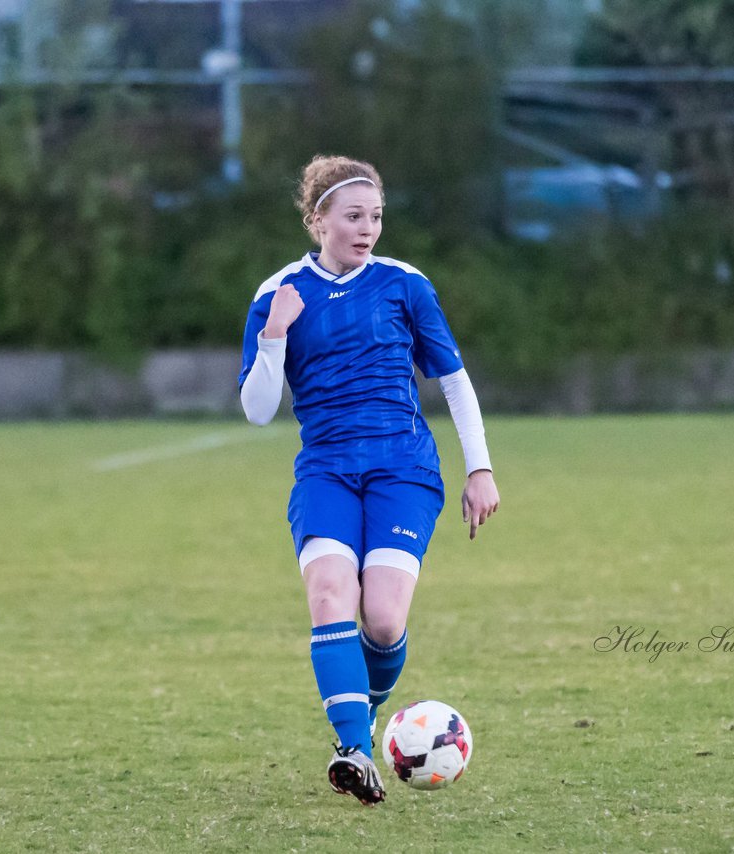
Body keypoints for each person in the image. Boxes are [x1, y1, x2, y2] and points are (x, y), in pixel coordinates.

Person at [238, 155, 500, 806]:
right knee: (331, 592)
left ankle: (364, 720)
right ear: (317, 218)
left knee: (381, 621)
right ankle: (354, 748)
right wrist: (274, 335)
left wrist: (480, 467)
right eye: (353, 217)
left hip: (403, 468)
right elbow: (257, 409)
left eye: (376, 217)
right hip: (325, 469)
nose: (367, 229)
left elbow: (454, 381)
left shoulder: (404, 284)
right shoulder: (278, 294)